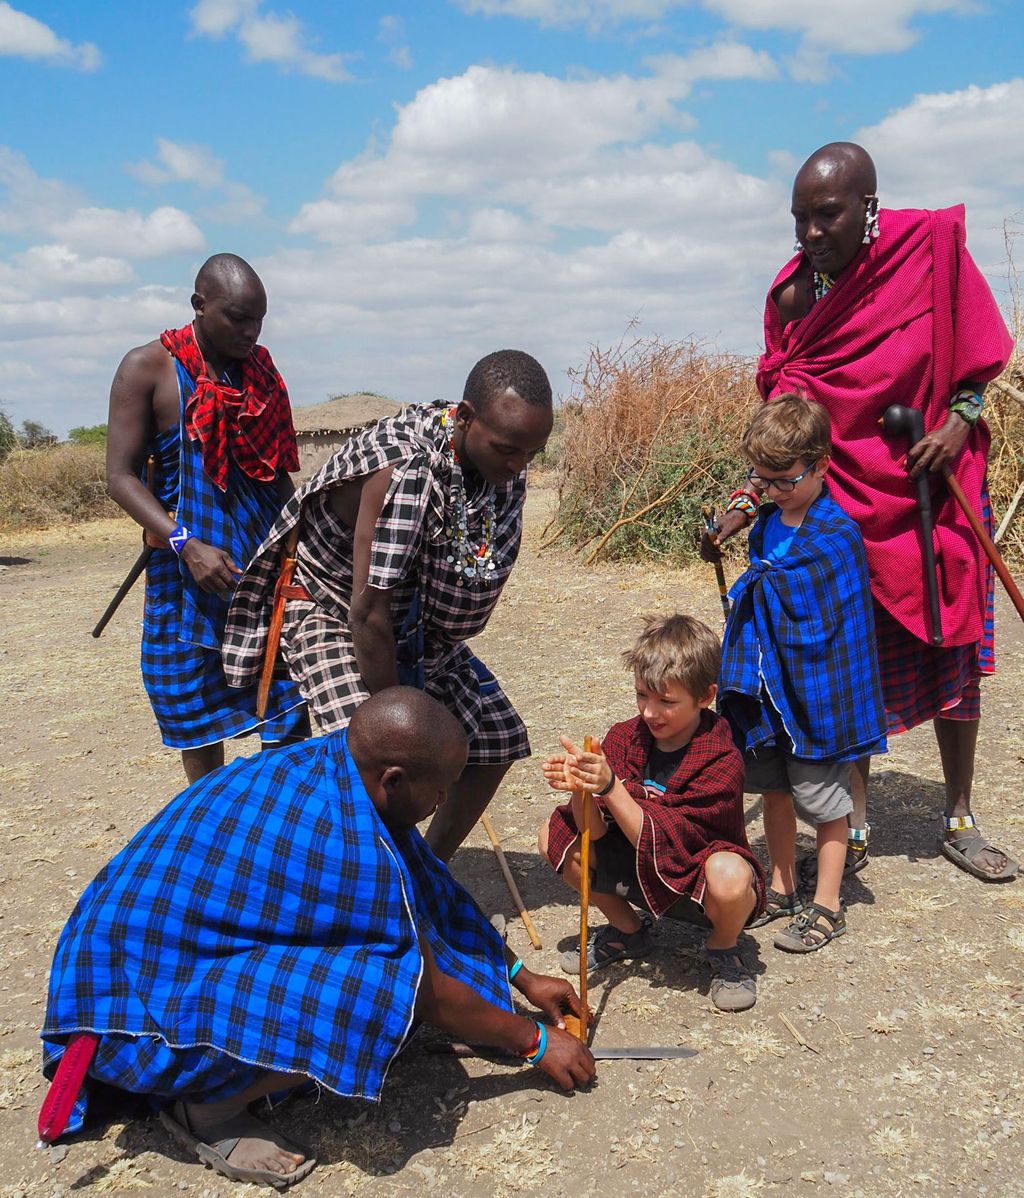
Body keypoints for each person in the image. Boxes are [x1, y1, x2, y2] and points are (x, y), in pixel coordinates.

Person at [40, 688, 595, 1190]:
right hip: (127, 1022)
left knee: (399, 952)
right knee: (377, 999)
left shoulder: (340, 765)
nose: (444, 803)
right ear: (395, 779)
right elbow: (421, 988)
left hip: (147, 964)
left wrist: (520, 975)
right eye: (442, 790)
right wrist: (535, 1041)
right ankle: (209, 1108)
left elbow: (428, 889)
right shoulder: (343, 838)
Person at [706, 142, 1017, 882]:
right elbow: (785, 423)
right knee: (848, 659)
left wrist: (955, 424)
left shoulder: (932, 254)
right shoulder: (793, 299)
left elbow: (980, 369)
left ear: (869, 209)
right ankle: (854, 820)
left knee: (956, 647)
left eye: (827, 214)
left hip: (933, 484)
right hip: (842, 497)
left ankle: (959, 815)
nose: (811, 232)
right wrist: (748, 499)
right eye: (799, 218)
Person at [223, 350, 553, 862]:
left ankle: (425, 873)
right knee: (381, 769)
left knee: (498, 737)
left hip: (413, 627)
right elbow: (367, 613)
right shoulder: (405, 472)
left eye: (531, 454)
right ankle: (372, 893)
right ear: (465, 417)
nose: (517, 467)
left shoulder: (491, 468)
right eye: (508, 450)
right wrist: (403, 720)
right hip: (335, 616)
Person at [105, 253, 306, 783]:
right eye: (237, 319)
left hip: (261, 571)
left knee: (287, 709)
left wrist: (300, 540)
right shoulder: (147, 368)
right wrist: (184, 542)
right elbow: (120, 477)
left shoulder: (260, 372)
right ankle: (212, 835)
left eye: (258, 320)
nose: (250, 332)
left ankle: (280, 835)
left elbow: (276, 472)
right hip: (188, 574)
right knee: (200, 725)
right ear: (198, 305)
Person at [719, 396, 888, 952]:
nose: (770, 491)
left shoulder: (837, 537)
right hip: (769, 691)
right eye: (761, 481)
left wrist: (761, 585)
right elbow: (765, 592)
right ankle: (786, 885)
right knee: (772, 790)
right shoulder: (766, 522)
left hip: (817, 696)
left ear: (820, 466)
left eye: (783, 481)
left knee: (824, 802)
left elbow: (835, 630)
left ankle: (828, 905)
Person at [538, 614, 766, 1012]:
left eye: (666, 701)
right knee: (553, 834)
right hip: (638, 868)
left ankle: (723, 948)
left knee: (730, 875)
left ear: (706, 696)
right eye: (642, 695)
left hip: (698, 884)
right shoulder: (625, 737)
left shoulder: (722, 758)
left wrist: (611, 787)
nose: (649, 712)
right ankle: (628, 931)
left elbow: (679, 837)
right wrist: (582, 790)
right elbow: (593, 829)